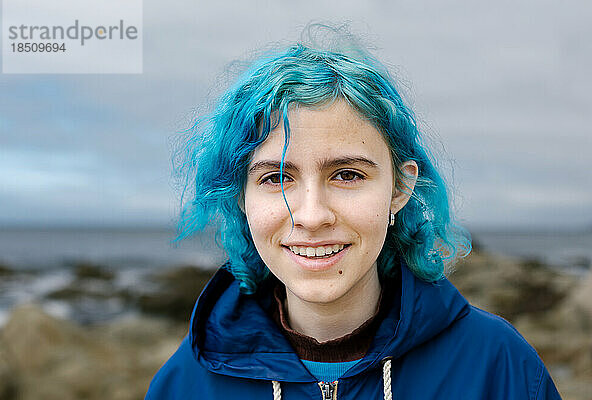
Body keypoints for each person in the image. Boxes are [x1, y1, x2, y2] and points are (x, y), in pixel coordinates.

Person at [146, 24, 561, 399]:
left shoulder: (499, 368)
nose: (311, 216)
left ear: (400, 187)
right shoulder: (185, 384)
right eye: (275, 178)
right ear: (241, 198)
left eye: (346, 175)